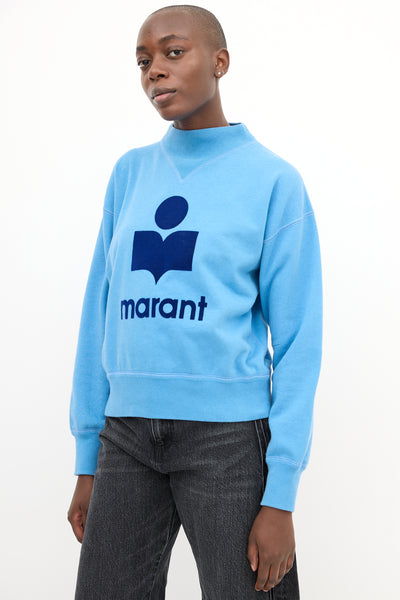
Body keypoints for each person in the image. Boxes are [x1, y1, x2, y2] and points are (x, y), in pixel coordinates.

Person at [67, 4, 323, 599]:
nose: (155, 69)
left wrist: (280, 496)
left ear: (220, 61)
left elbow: (298, 342)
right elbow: (98, 315)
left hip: (227, 442)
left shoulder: (273, 181)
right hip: (125, 438)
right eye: (143, 61)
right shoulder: (129, 174)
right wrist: (87, 459)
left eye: (174, 52)